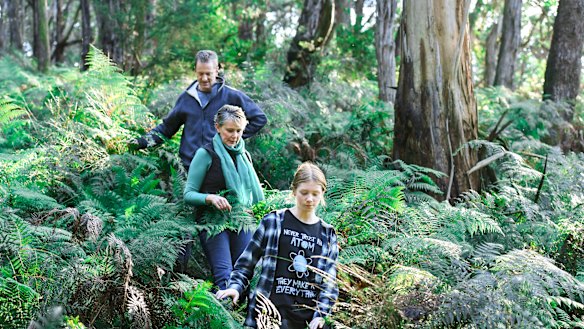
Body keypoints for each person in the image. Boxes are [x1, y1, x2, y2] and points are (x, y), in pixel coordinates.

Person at [216, 162, 338, 329]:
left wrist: (321, 316)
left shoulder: (328, 234)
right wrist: (235, 288)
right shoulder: (273, 222)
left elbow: (329, 284)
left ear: (322, 193)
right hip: (266, 318)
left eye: (315, 194)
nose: (309, 199)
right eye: (304, 193)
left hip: (305, 323)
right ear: (294, 191)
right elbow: (246, 265)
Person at [129, 50, 267, 173]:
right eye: (200, 73)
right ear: (195, 69)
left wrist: (231, 137)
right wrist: (140, 142)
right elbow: (166, 129)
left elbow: (259, 118)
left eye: (209, 74)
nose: (204, 78)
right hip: (189, 167)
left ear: (217, 70)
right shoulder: (186, 98)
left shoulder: (232, 96)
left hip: (221, 167)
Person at [184, 105, 265, 290]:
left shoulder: (244, 155)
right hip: (213, 224)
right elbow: (188, 194)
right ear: (217, 127)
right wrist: (210, 198)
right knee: (225, 279)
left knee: (246, 275)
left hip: (241, 222)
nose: (234, 136)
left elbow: (251, 194)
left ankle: (240, 317)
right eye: (229, 130)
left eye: (239, 131)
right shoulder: (205, 154)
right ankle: (223, 316)